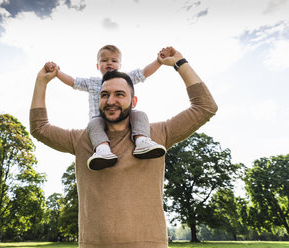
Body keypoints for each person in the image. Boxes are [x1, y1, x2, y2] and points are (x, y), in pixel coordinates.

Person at [30, 46, 218, 248]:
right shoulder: (83, 139)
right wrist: (41, 82)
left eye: (119, 94)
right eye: (104, 95)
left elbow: (205, 107)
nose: (111, 101)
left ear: (133, 101)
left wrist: (180, 63)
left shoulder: (157, 135)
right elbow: (39, 128)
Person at [45, 45, 166, 170]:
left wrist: (158, 61)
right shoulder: (92, 83)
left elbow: (143, 73)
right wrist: (57, 73)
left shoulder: (125, 79)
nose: (109, 63)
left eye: (114, 60)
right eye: (104, 60)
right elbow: (73, 82)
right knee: (93, 123)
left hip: (122, 118)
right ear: (98, 66)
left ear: (120, 66)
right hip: (99, 120)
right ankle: (102, 149)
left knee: (140, 114)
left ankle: (142, 140)